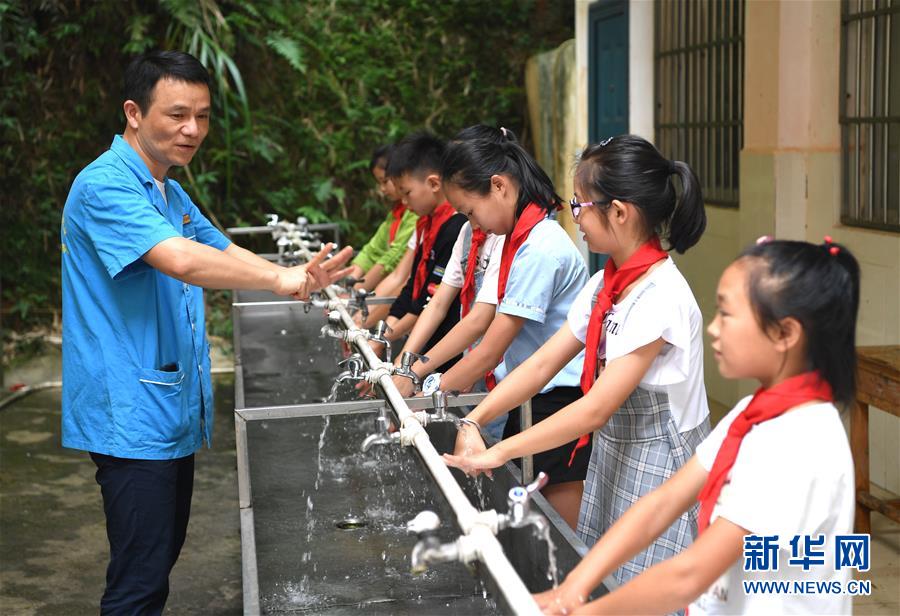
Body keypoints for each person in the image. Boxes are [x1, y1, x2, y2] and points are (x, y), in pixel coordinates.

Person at [60, 50, 352, 615]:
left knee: (156, 562)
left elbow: (220, 248)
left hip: (164, 408)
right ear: (134, 113)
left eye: (202, 116)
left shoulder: (168, 191)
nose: (192, 129)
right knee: (139, 581)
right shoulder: (104, 187)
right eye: (177, 114)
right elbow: (183, 260)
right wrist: (279, 278)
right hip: (130, 414)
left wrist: (296, 278)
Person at [534, 238, 859, 616]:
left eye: (727, 314)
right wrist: (573, 587)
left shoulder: (799, 441)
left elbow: (689, 576)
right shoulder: (753, 413)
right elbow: (662, 503)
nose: (713, 329)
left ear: (785, 333)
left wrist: (582, 612)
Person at [444, 135, 710, 560]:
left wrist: (498, 452)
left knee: (641, 581)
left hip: (661, 462)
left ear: (618, 212)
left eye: (580, 204)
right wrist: (474, 420)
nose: (575, 216)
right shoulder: (605, 284)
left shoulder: (660, 296)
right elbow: (542, 364)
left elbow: (595, 409)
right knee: (605, 574)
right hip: (615, 451)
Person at [433, 132, 591, 529]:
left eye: (471, 212)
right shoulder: (519, 240)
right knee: (531, 523)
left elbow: (490, 349)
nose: (473, 224)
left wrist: (430, 393)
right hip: (529, 394)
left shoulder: (540, 248)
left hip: (556, 400)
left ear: (499, 186)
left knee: (557, 531)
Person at [370, 131, 466, 373]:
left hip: (448, 349)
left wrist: (401, 361)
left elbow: (431, 302)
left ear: (434, 183)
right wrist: (382, 336)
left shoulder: (456, 227)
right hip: (427, 343)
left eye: (407, 193)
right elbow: (413, 288)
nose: (404, 202)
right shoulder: (426, 224)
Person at [346, 144, 418, 292]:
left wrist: (355, 291)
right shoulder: (396, 212)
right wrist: (351, 280)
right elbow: (373, 250)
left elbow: (394, 257)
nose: (382, 189)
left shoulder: (416, 213)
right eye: (379, 183)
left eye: (385, 181)